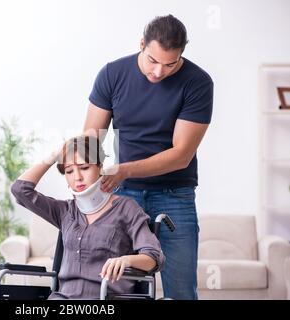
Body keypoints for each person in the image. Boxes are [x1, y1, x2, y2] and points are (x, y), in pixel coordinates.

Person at [83, 15, 213, 300]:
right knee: (117, 288)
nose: (158, 72)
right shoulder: (112, 74)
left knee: (180, 291)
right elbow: (91, 140)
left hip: (174, 195)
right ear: (141, 44)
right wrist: (84, 181)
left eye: (170, 64)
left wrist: (124, 169)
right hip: (121, 195)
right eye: (153, 60)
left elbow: (181, 155)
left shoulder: (198, 82)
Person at [11, 135, 164, 299]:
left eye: (84, 167)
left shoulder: (126, 208)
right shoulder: (65, 211)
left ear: (99, 167)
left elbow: (154, 257)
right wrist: (54, 155)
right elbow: (20, 190)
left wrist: (126, 260)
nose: (77, 177)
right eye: (69, 171)